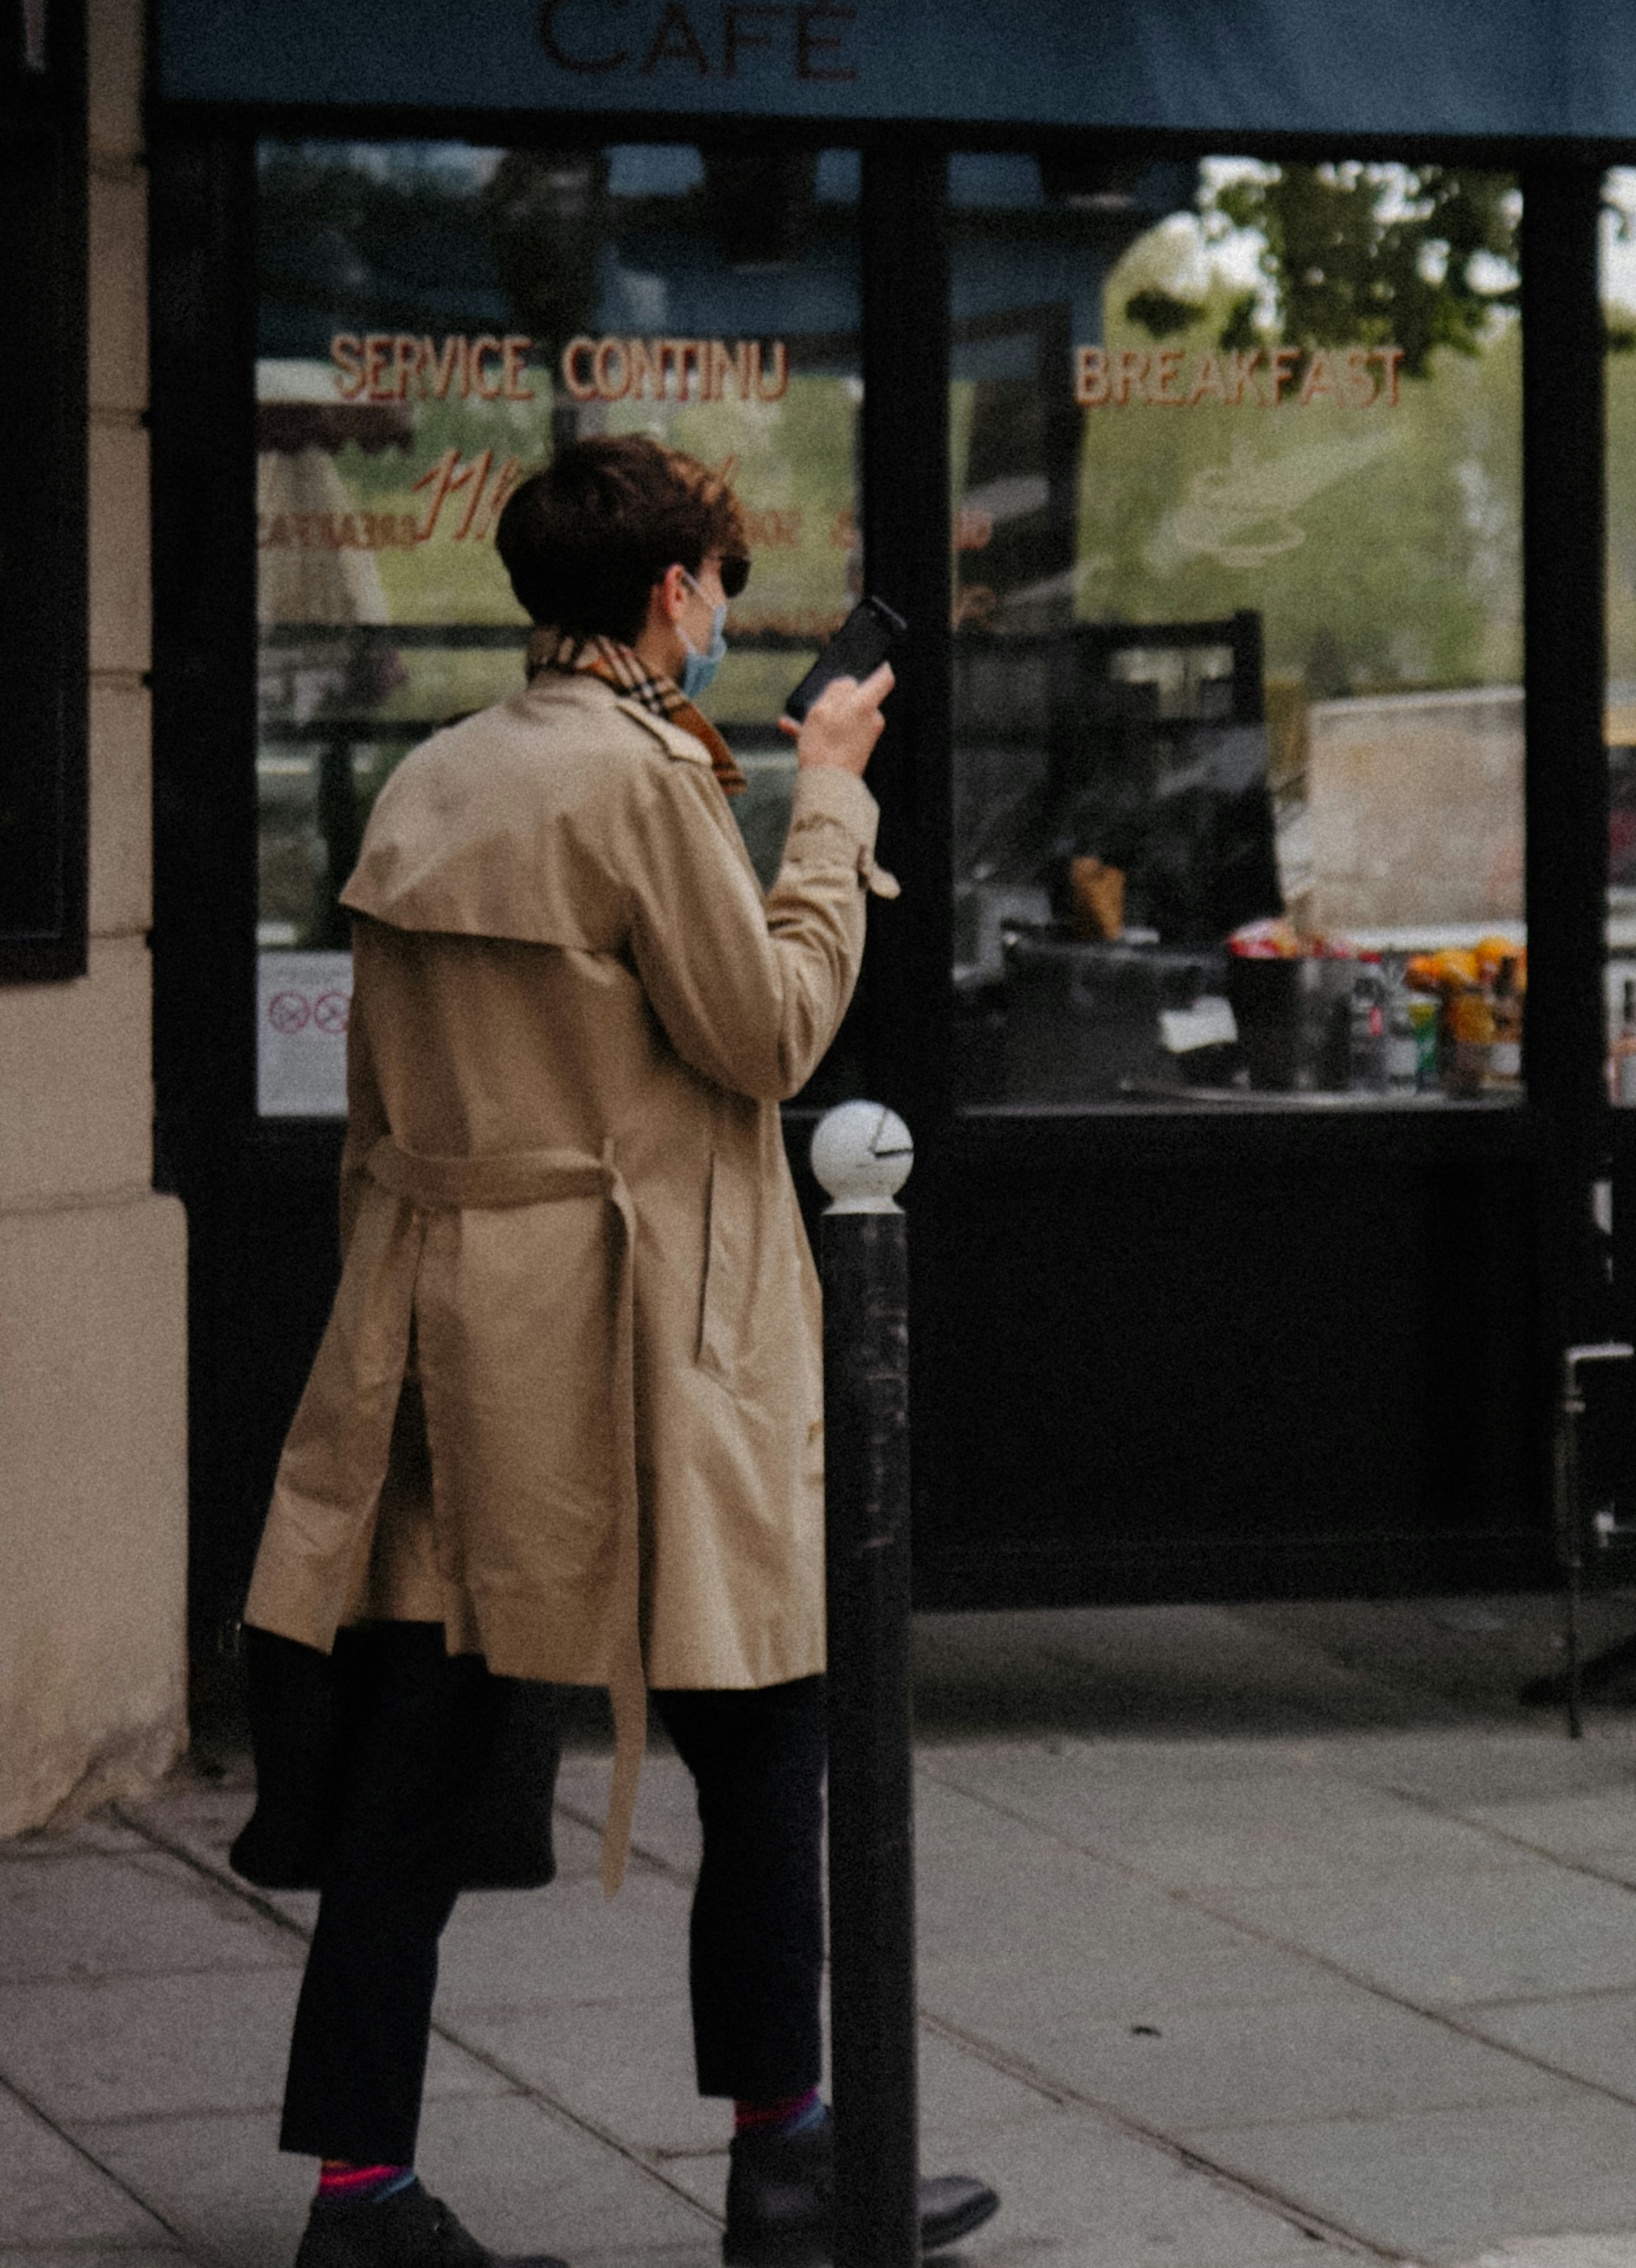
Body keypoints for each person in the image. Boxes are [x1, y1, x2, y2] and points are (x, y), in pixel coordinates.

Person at [238, 437, 999, 2268]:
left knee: (415, 1763)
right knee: (766, 1731)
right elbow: (772, 1036)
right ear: (675, 595)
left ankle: (360, 2194)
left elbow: (375, 1104)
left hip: (444, 1333)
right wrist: (828, 801)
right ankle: (788, 2155)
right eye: (721, 585)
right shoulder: (650, 781)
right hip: (649, 1336)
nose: (727, 617)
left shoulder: (429, 776)